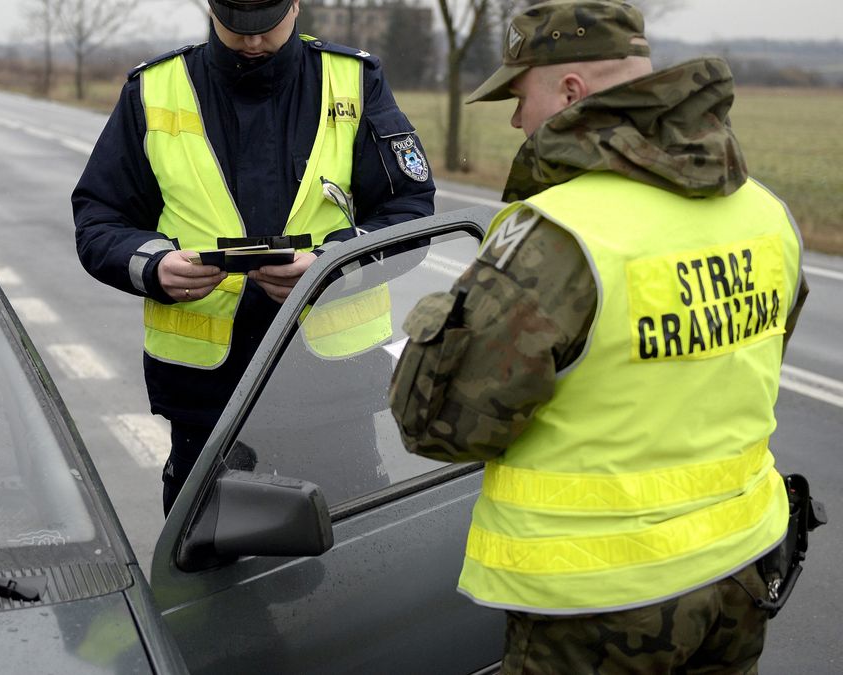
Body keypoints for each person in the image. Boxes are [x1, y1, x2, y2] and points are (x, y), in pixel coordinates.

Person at [388, 1, 812, 672]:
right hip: (741, 567)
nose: (516, 118)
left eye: (518, 95)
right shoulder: (764, 212)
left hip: (600, 603)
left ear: (570, 92)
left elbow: (437, 422)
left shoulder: (561, 234)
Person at [73, 0, 435, 514]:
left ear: (296, 5)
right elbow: (99, 220)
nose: (251, 41)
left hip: (332, 392)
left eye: (266, 26)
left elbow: (411, 211)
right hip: (207, 398)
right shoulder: (154, 88)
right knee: (211, 577)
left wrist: (332, 269)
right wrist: (154, 267)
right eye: (234, 26)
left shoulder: (352, 81)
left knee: (348, 569)